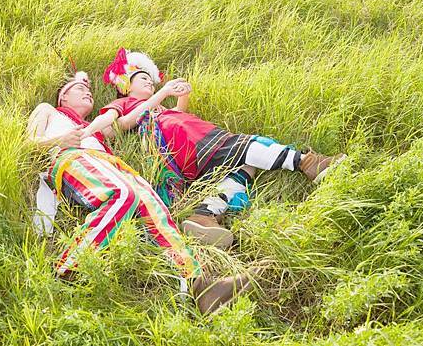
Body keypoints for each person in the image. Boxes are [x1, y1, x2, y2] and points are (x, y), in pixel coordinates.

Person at [26, 71, 255, 314]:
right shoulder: (49, 111)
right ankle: (67, 268)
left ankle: (199, 284)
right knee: (124, 195)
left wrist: (165, 93)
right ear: (63, 96)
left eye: (89, 89)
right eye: (79, 88)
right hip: (72, 158)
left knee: (156, 208)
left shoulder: (95, 128)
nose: (87, 91)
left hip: (111, 165)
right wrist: (59, 140)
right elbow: (28, 144)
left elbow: (129, 120)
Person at [81, 48, 346, 249]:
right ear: (126, 86)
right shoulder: (127, 104)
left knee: (245, 165)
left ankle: (204, 215)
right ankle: (308, 163)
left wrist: (182, 95)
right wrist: (160, 94)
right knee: (247, 145)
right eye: (142, 79)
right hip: (187, 138)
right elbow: (119, 125)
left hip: (187, 140)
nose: (150, 83)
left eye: (151, 81)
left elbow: (176, 112)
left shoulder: (157, 105)